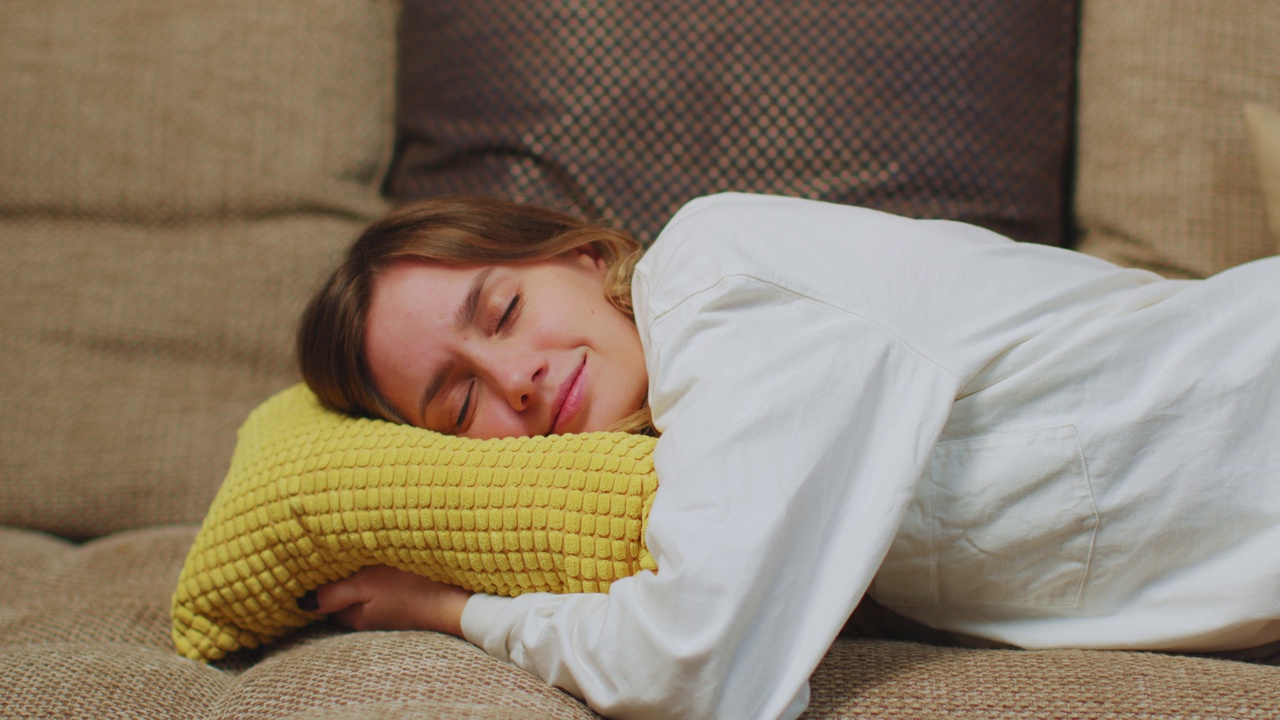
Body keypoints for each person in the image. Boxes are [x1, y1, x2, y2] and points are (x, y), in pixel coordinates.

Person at [296, 192, 1280, 720]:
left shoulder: (711, 283)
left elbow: (694, 669)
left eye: (502, 311)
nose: (511, 378)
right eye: (458, 399)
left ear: (580, 257)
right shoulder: (677, 451)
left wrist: (449, 609)